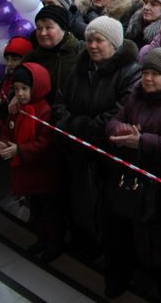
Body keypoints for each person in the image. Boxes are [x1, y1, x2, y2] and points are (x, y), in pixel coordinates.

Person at [103, 49, 161, 299]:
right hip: (134, 182)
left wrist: (142, 141)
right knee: (135, 234)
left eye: (155, 74)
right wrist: (119, 129)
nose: (148, 79)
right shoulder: (137, 96)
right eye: (145, 73)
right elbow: (114, 120)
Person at [56, 17, 141, 250]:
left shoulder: (131, 72)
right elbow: (61, 100)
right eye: (89, 40)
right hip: (77, 149)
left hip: (108, 153)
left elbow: (121, 110)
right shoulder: (79, 68)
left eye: (99, 40)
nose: (92, 46)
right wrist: (70, 124)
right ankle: (85, 240)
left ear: (114, 44)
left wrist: (79, 127)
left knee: (109, 207)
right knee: (80, 198)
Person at [0, 63, 63, 261]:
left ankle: (54, 245)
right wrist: (2, 144)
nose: (19, 93)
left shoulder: (45, 112)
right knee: (35, 210)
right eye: (16, 89)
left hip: (45, 173)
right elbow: (8, 131)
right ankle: (41, 240)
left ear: (37, 87)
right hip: (27, 171)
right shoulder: (16, 109)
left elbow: (45, 143)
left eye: (25, 89)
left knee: (50, 212)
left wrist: (19, 149)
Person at [21, 6, 83, 103]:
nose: (42, 33)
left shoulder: (82, 53)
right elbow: (15, 86)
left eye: (48, 27)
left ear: (63, 29)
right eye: (39, 28)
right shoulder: (31, 57)